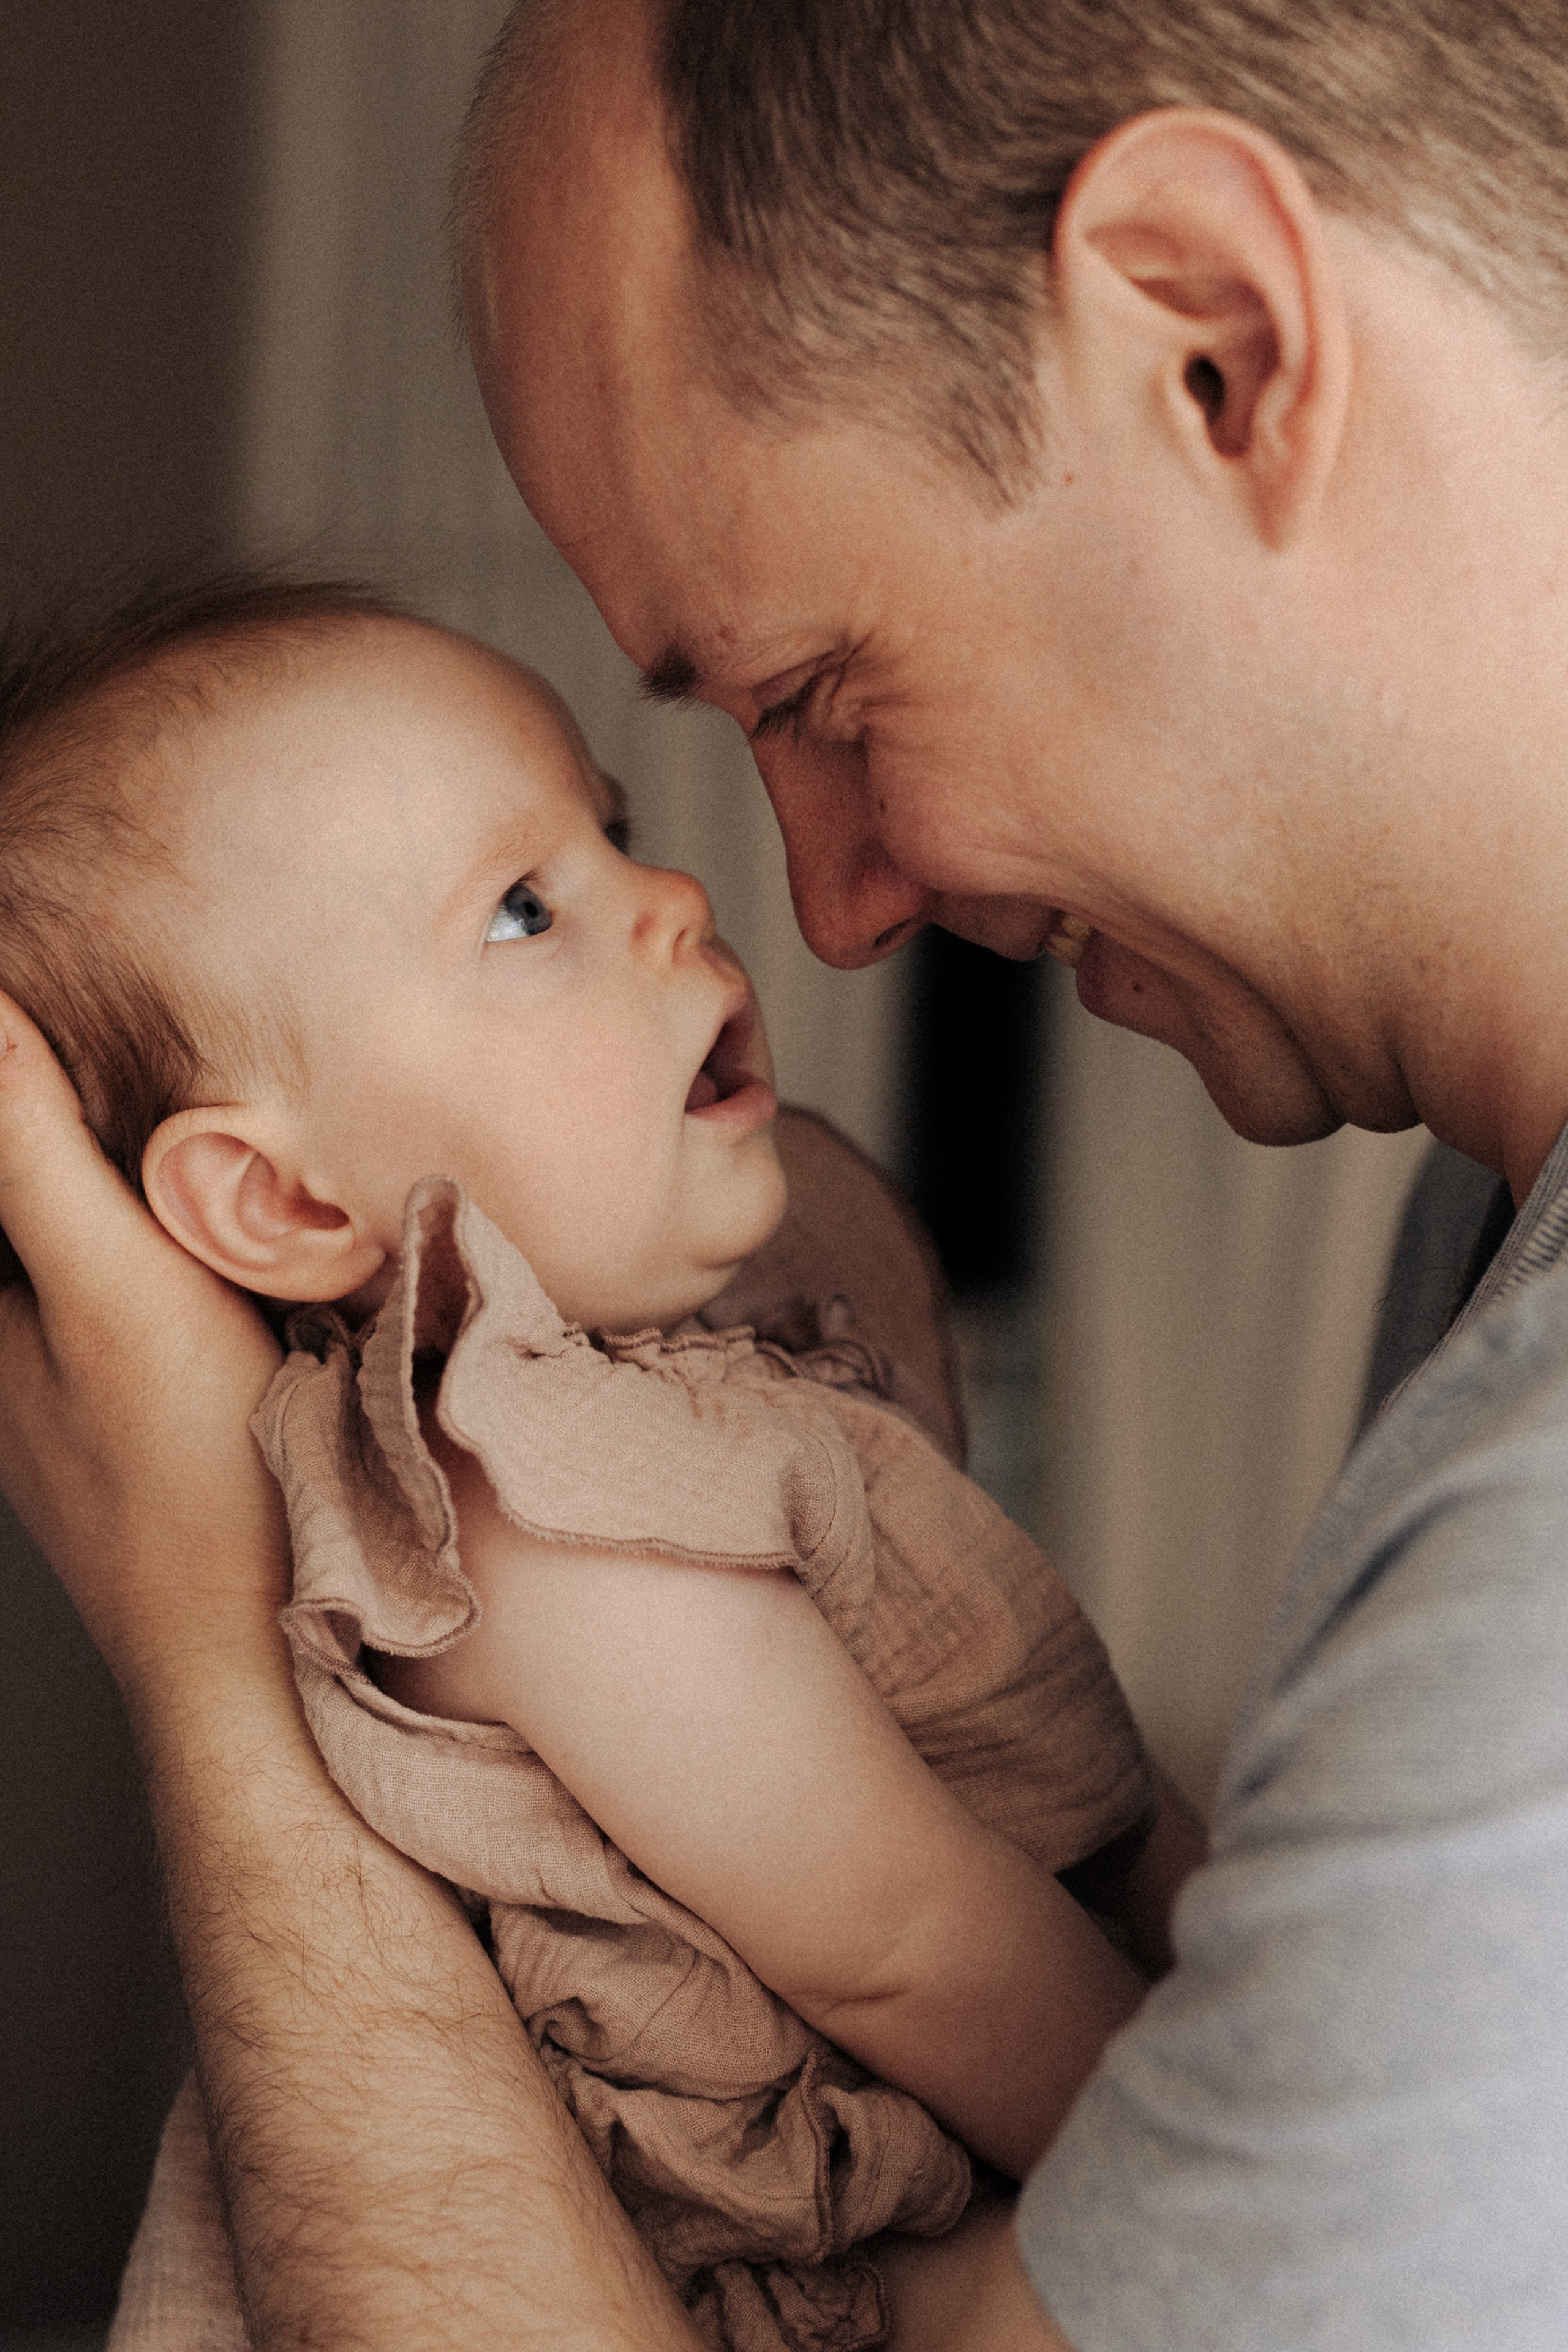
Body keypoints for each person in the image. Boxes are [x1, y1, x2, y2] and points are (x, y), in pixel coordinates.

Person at [5, 0, 1568, 2342]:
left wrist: (207, 1641)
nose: (818, 909)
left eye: (824, 692)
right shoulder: (1487, 1250)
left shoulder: (1529, 1588)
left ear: (1220, 348)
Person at [0, 574, 1193, 2347]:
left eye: (613, 836)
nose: (675, 902)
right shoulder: (536, 1517)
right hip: (772, 2277)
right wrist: (1226, 2180)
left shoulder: (683, 1380)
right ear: (288, 1202)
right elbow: (904, 1939)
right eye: (522, 912)